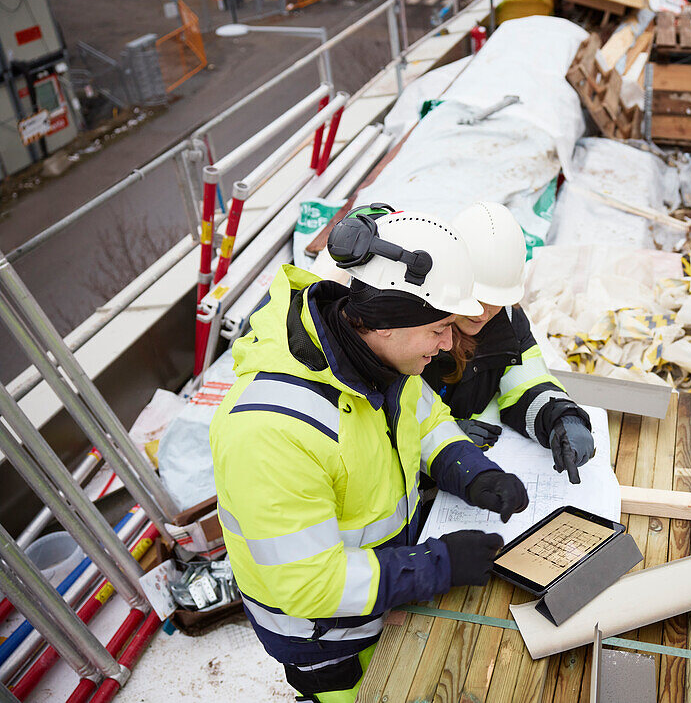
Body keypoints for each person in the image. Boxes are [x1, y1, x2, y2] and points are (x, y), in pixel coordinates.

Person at [210, 208, 530, 703]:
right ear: (386, 324)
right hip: (325, 640)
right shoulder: (271, 430)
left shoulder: (385, 362)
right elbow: (309, 584)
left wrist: (472, 472)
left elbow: (423, 422)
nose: (449, 345)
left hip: (387, 593)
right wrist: (438, 564)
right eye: (440, 328)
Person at [421, 202, 596, 483]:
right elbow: (388, 413)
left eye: (497, 300)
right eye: (476, 297)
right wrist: (442, 433)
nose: (484, 312)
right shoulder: (416, 325)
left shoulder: (508, 321)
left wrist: (561, 418)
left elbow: (526, 384)